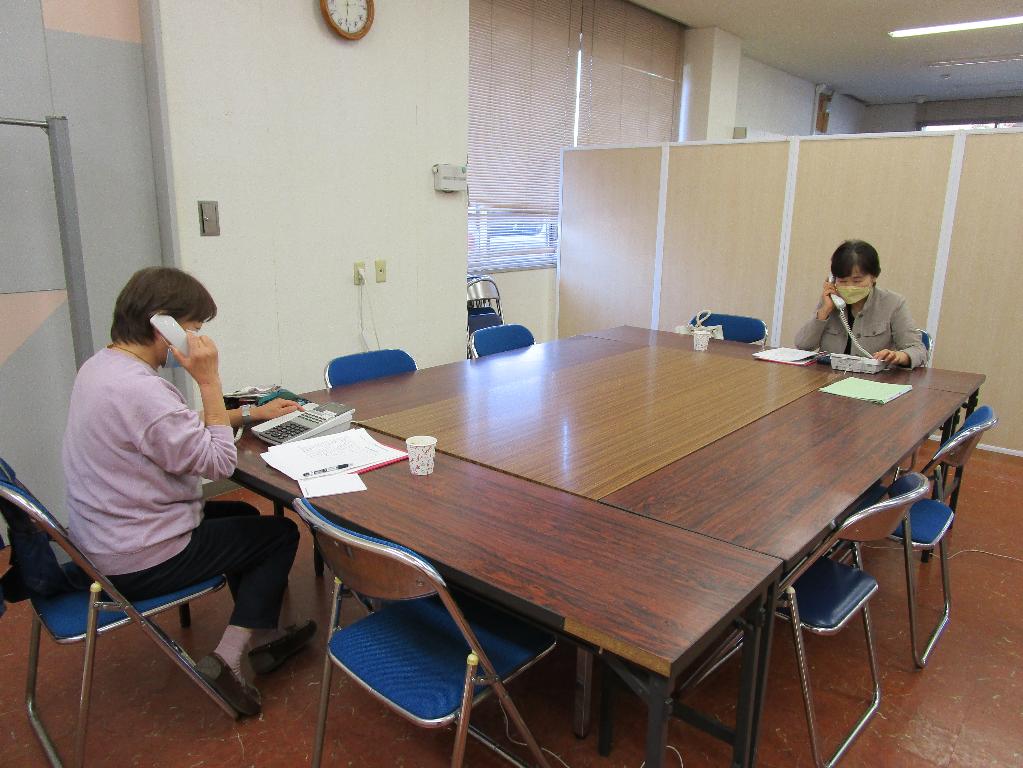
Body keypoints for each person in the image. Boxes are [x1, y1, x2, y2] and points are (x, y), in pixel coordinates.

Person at [62, 266, 315, 716]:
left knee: (247, 521)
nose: (198, 340)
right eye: (194, 328)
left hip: (102, 541)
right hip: (139, 558)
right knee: (280, 536)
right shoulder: (143, 391)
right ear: (163, 325)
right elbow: (219, 464)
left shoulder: (102, 368)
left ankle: (265, 636)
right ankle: (228, 660)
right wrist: (210, 382)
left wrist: (249, 415)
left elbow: (166, 429)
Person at [794, 239, 926, 368]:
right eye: (842, 281)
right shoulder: (831, 299)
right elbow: (803, 345)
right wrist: (824, 311)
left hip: (872, 379)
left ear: (873, 277)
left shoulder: (893, 303)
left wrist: (898, 356)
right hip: (828, 376)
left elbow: (918, 350)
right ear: (833, 279)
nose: (849, 287)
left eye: (857, 281)